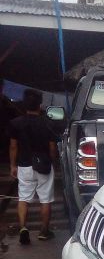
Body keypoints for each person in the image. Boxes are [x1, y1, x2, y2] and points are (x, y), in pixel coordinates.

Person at [8, 89, 57, 245]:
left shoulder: (16, 123)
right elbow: (52, 148)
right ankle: (44, 232)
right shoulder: (48, 123)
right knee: (45, 200)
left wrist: (12, 165)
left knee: (23, 199)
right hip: (43, 165)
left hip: (24, 166)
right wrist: (53, 162)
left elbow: (13, 147)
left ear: (24, 104)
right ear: (40, 105)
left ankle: (23, 228)